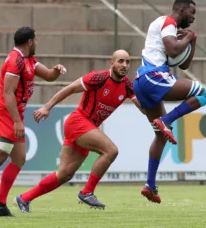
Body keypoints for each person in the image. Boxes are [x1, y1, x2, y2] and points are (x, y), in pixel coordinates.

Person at [14, 50, 144, 212]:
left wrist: (158, 112)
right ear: (112, 63)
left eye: (127, 62)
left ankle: (24, 198)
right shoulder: (99, 77)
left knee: (64, 174)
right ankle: (87, 192)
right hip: (78, 122)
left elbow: (143, 108)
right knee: (111, 151)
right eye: (120, 61)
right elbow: (70, 88)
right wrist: (47, 107)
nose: (124, 65)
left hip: (87, 128)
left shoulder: (127, 85)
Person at [0, 26, 67, 216]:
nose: (37, 42)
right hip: (5, 113)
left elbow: (48, 76)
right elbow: (8, 93)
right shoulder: (15, 60)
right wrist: (17, 122)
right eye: (36, 39)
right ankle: (0, 204)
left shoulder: (28, 60)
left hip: (13, 114)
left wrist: (56, 70)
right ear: (29, 42)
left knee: (19, 159)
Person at [133, 0, 206, 204]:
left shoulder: (171, 28)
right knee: (205, 94)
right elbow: (173, 50)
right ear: (182, 9)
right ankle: (167, 120)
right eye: (192, 12)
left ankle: (150, 185)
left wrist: (192, 41)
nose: (193, 17)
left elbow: (183, 65)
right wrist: (188, 38)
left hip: (142, 82)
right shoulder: (167, 21)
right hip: (154, 77)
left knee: (160, 137)